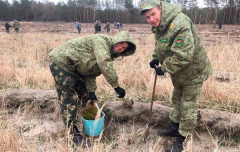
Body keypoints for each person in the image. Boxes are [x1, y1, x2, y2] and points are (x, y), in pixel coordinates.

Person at [140, 0, 212, 152]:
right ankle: (175, 127)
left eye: (153, 14)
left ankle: (184, 139)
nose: (151, 19)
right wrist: (156, 58)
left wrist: (164, 67)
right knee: (177, 99)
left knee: (188, 105)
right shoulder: (160, 26)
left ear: (161, 9)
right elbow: (162, 45)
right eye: (148, 17)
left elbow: (184, 56)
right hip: (180, 72)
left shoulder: (180, 23)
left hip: (194, 71)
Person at [48, 31, 136, 146]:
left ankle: (89, 125)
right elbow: (104, 63)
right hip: (61, 62)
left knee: (86, 97)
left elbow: (90, 73)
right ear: (117, 38)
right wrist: (116, 86)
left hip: (75, 68)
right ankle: (72, 131)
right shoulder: (102, 41)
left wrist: (92, 92)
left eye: (123, 48)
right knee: (69, 97)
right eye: (121, 43)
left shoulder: (109, 53)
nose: (120, 48)